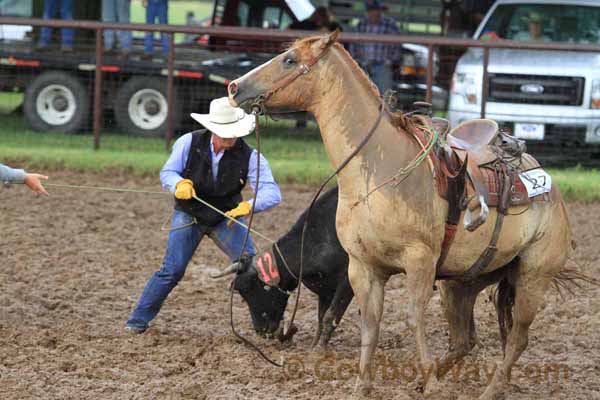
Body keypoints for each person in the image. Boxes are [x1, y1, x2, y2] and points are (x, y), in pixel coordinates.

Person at [124, 97, 282, 334]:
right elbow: (168, 172)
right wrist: (178, 184)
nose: (229, 137)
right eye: (223, 132)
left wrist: (249, 206)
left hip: (225, 217)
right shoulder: (188, 142)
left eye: (233, 132)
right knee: (172, 270)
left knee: (252, 268)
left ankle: (266, 326)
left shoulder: (251, 156)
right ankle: (137, 322)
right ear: (212, 129)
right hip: (190, 214)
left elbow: (272, 191)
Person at [350, 0, 400, 94]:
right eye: (370, 10)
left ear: (380, 10)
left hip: (383, 66)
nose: (372, 12)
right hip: (364, 65)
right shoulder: (361, 24)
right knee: (363, 94)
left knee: (385, 96)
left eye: (374, 9)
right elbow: (354, 44)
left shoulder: (390, 24)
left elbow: (396, 46)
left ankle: (385, 108)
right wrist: (356, 61)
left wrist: (389, 62)